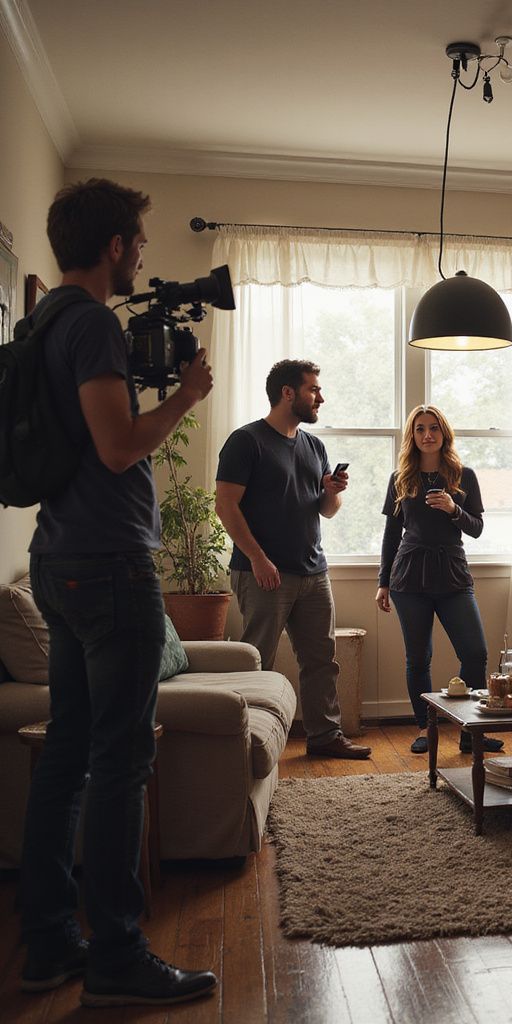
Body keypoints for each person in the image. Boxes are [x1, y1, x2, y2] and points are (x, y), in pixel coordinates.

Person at [20, 179, 217, 1006]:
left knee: (67, 757)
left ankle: (49, 944)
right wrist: (185, 396)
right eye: (137, 242)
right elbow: (114, 447)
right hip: (108, 564)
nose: (142, 255)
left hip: (59, 557)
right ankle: (118, 959)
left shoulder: (39, 323)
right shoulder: (94, 323)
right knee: (119, 760)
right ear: (112, 247)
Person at [215, 360, 371, 760]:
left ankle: (325, 736)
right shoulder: (246, 441)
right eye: (313, 389)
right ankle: (243, 740)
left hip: (313, 571)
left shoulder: (313, 445)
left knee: (321, 660)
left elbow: (326, 510)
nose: (320, 397)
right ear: (288, 393)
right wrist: (258, 559)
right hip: (263, 571)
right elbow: (226, 505)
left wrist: (333, 491)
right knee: (256, 659)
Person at [375, 405, 501, 755]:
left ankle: (468, 730)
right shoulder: (400, 477)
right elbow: (390, 534)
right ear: (411, 436)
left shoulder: (465, 475)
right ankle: (424, 728)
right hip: (409, 577)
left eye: (433, 428)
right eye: (419, 429)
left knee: (475, 653)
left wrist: (453, 509)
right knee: (418, 658)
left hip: (453, 573)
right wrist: (383, 582)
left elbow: (475, 529)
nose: (427, 434)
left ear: (444, 433)